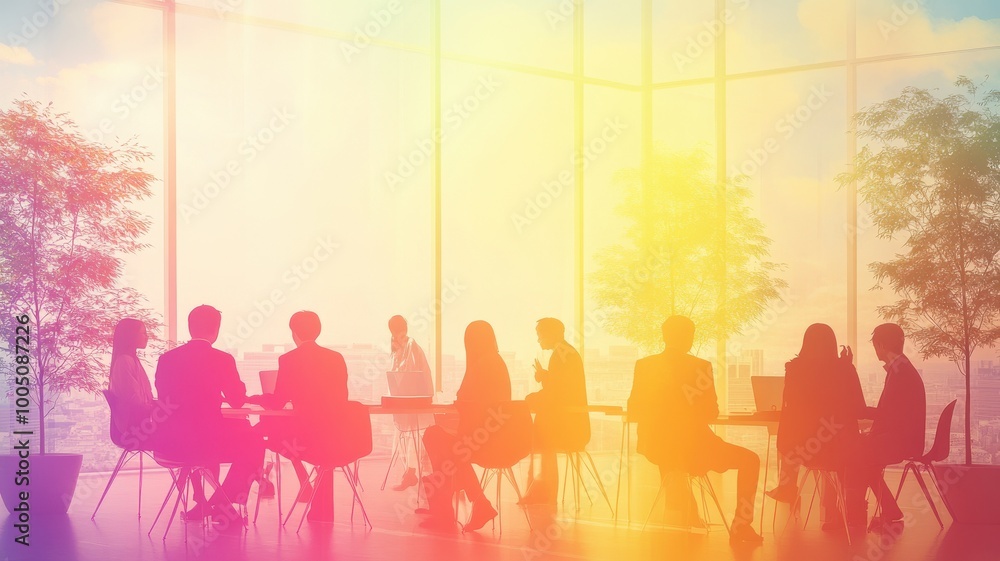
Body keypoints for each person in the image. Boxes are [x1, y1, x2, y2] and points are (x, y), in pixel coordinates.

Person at [628, 316, 763, 544]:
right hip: (695, 449)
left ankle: (686, 512)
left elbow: (634, 409)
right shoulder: (700, 366)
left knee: (675, 460)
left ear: (664, 336)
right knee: (751, 460)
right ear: (689, 338)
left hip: (657, 448)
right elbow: (710, 412)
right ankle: (741, 526)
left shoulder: (644, 365)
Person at [154, 305, 265, 531]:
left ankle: (205, 503)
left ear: (189, 326)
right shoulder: (222, 359)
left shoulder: (167, 359)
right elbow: (236, 400)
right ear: (216, 330)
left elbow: (164, 399)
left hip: (173, 443)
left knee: (208, 441)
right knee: (254, 442)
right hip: (209, 441)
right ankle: (223, 502)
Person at [249, 311, 349, 519]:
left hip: (305, 438)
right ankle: (312, 497)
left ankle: (261, 481)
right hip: (336, 437)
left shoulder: (289, 359)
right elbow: (341, 398)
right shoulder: (336, 358)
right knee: (315, 438)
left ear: (294, 333)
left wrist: (256, 398)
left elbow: (277, 401)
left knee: (259, 432)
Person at [766, 324, 867, 527]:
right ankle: (842, 514)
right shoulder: (844, 368)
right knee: (857, 453)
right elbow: (857, 407)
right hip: (839, 449)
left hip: (803, 449)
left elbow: (791, 408)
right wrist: (847, 367)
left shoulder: (794, 369)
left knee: (801, 438)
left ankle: (788, 487)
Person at [420, 320, 511, 532]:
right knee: (444, 447)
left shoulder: (482, 365)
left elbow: (465, 398)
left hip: (484, 441)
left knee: (435, 437)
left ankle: (445, 508)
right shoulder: (497, 362)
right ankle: (473, 503)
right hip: (498, 437)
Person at [846, 323, 926, 530]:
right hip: (903, 437)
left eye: (875, 346)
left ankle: (854, 515)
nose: (875, 351)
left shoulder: (899, 372)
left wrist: (861, 413)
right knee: (861, 453)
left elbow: (888, 414)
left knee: (855, 452)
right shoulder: (902, 368)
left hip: (900, 441)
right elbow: (891, 412)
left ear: (880, 345)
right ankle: (884, 510)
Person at [521, 318, 589, 505]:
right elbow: (562, 387)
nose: (538, 340)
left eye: (540, 335)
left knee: (540, 432)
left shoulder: (561, 355)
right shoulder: (566, 353)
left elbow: (557, 393)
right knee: (541, 429)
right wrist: (546, 377)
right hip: (571, 422)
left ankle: (540, 491)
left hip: (567, 426)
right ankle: (540, 490)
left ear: (550, 334)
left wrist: (534, 396)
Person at [386, 315, 433, 492]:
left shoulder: (410, 346)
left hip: (414, 399)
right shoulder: (402, 346)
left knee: (411, 437)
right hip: (409, 399)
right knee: (409, 438)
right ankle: (410, 473)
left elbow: (411, 376)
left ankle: (411, 473)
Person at [108, 318, 158, 449]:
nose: (147, 337)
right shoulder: (124, 361)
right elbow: (135, 399)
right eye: (143, 333)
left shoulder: (131, 360)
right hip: (134, 431)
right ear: (131, 335)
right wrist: (157, 406)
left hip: (137, 425)